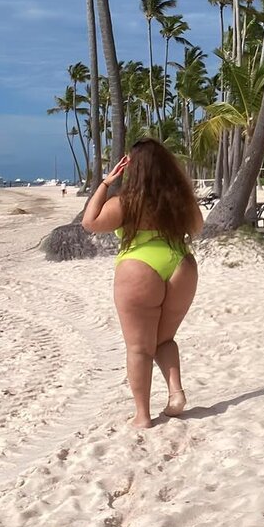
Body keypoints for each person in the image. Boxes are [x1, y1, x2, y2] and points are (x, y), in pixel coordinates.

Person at [82, 139, 204, 428]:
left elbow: (90, 222)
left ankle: (143, 415)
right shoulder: (179, 200)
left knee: (139, 348)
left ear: (132, 170)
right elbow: (197, 226)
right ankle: (176, 393)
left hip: (139, 267)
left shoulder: (125, 202)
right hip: (181, 264)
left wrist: (106, 183)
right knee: (164, 339)